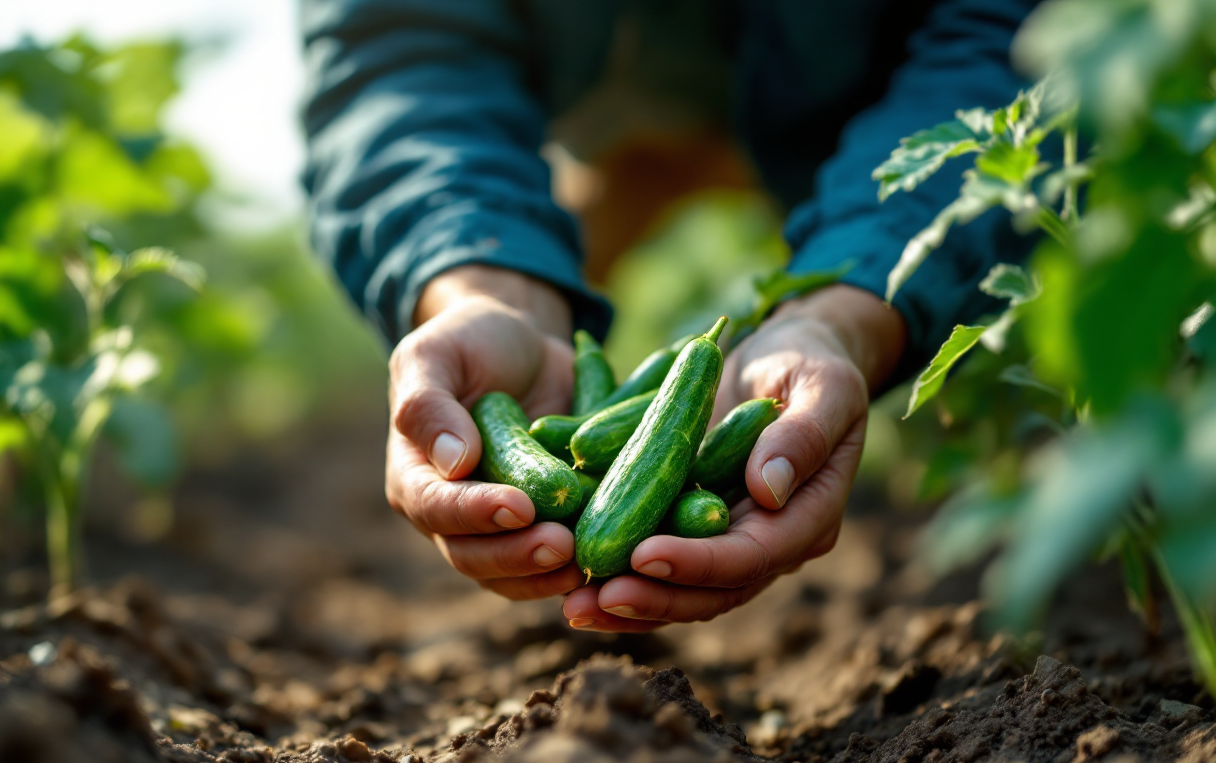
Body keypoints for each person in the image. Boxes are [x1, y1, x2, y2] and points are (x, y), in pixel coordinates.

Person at [301, 0, 1039, 632]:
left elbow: (1009, 39)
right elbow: (399, 50)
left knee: (872, 249)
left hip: (857, 105)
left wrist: (842, 314)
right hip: (614, 116)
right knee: (554, 265)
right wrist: (481, 285)